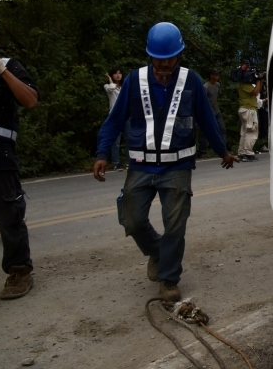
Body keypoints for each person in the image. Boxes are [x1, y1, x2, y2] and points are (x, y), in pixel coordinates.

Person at [93, 22, 237, 303]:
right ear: (150, 55)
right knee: (132, 221)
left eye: (169, 58)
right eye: (159, 58)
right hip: (141, 166)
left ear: (179, 55)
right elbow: (114, 121)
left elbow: (207, 120)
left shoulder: (191, 81)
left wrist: (223, 151)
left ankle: (169, 278)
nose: (164, 63)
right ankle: (158, 252)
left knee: (175, 226)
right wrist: (101, 154)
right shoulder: (135, 80)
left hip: (178, 167)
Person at [0, 14, 40, 299]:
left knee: (8, 217)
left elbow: (31, 100)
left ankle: (20, 271)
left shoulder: (8, 66)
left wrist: (2, 71)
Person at [237, 64, 262, 162]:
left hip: (245, 110)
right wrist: (259, 80)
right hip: (249, 110)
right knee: (252, 132)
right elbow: (256, 92)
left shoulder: (243, 84)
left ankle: (242, 152)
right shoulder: (246, 84)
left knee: (244, 132)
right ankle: (248, 153)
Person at [198, 69, 226, 157]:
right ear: (211, 76)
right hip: (208, 111)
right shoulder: (206, 86)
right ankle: (203, 151)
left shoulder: (217, 85)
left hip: (216, 110)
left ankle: (223, 150)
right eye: (216, 75)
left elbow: (217, 96)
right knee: (205, 131)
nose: (218, 77)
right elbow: (202, 99)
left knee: (222, 129)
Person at [104, 67, 127, 170]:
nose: (118, 75)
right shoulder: (108, 86)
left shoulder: (125, 87)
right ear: (112, 75)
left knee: (130, 139)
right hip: (114, 116)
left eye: (120, 73)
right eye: (115, 73)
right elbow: (111, 88)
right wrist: (109, 80)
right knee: (115, 141)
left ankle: (130, 161)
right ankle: (116, 163)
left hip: (126, 115)